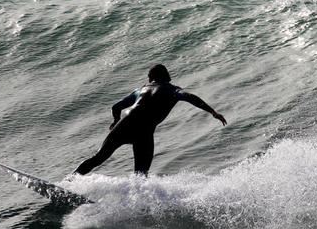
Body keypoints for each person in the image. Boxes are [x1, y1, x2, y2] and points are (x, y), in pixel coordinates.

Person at [74, 64, 227, 176]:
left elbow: (116, 107)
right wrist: (212, 111)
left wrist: (115, 121)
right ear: (167, 77)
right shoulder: (173, 90)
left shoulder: (140, 90)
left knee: (98, 157)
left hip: (125, 125)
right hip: (144, 132)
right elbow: (190, 97)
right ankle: (139, 205)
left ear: (151, 78)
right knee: (141, 174)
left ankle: (69, 181)